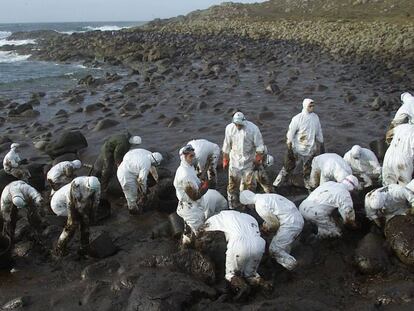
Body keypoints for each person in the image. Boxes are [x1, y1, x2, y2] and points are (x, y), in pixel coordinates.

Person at [200, 210, 266, 288]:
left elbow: (203, 231)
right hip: (258, 244)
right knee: (252, 275)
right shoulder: (250, 217)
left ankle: (243, 288)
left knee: (231, 275)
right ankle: (264, 284)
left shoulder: (219, 217)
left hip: (239, 245)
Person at [240, 190, 304, 270]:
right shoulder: (266, 196)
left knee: (274, 250)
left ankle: (293, 266)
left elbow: (274, 224)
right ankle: (284, 262)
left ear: (248, 203)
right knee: (283, 244)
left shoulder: (259, 205)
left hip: (290, 224)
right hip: (297, 217)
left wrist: (266, 230)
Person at [273, 98, 324, 189]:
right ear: (305, 106)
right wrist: (289, 146)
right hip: (297, 149)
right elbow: (290, 133)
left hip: (310, 149)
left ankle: (307, 185)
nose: (312, 107)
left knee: (307, 169)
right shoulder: (297, 118)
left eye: (313, 106)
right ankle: (277, 184)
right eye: (310, 106)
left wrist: (321, 142)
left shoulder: (315, 117)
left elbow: (318, 131)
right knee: (288, 167)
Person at [222, 112, 265, 209]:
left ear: (244, 121)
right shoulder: (229, 128)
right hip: (234, 162)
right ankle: (232, 206)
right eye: (236, 124)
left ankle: (249, 206)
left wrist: (258, 157)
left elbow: (259, 145)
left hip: (249, 162)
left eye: (239, 124)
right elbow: (226, 145)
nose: (238, 126)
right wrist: (225, 158)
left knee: (250, 186)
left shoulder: (253, 129)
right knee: (232, 186)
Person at [54, 176, 101, 257]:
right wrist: (85, 216)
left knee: (86, 224)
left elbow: (96, 200)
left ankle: (84, 246)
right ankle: (60, 247)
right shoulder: (76, 184)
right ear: (87, 184)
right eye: (89, 189)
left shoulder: (96, 185)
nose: (91, 191)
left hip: (78, 201)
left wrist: (93, 214)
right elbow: (77, 206)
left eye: (92, 190)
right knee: (72, 225)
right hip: (61, 204)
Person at [173, 144, 210, 245]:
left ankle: (186, 246)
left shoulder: (188, 167)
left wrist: (199, 181)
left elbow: (194, 183)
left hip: (185, 205)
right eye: (190, 156)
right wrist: (206, 186)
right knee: (201, 234)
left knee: (188, 231)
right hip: (190, 209)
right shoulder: (185, 174)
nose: (193, 158)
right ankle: (199, 250)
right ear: (183, 157)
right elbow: (194, 196)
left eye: (193, 155)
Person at [117, 148, 163, 215]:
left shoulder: (148, 153)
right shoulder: (146, 164)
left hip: (127, 166)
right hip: (125, 175)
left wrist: (157, 179)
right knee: (131, 196)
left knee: (137, 185)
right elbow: (141, 181)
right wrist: (144, 192)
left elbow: (152, 168)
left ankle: (138, 200)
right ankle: (133, 212)